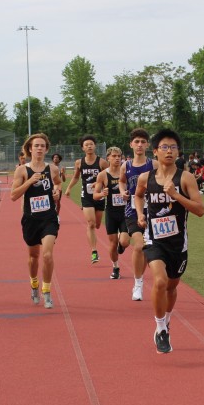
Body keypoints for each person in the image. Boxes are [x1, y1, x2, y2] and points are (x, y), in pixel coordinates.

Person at [133, 128, 204, 354]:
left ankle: (167, 319)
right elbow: (138, 195)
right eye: (164, 147)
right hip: (154, 239)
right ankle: (160, 328)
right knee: (160, 281)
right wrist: (140, 214)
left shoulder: (185, 178)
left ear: (178, 151)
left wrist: (176, 195)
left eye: (173, 147)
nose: (169, 151)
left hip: (178, 242)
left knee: (172, 286)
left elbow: (200, 210)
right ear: (155, 151)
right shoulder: (146, 178)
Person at [11, 133, 63, 308]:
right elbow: (13, 196)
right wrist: (29, 182)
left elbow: (58, 183)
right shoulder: (22, 170)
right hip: (31, 219)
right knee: (33, 257)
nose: (39, 148)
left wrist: (56, 191)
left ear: (46, 149)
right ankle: (34, 284)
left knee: (47, 255)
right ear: (30, 149)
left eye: (42, 146)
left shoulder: (52, 169)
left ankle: (46, 291)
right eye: (36, 146)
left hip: (49, 218)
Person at [118, 128, 153, 301]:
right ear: (131, 144)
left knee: (146, 248)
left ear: (147, 145)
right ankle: (138, 283)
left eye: (143, 142)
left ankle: (140, 277)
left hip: (153, 211)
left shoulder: (153, 165)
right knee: (139, 245)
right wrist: (122, 191)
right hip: (132, 210)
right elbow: (121, 181)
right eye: (136, 142)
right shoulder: (126, 166)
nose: (139, 145)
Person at [64, 135, 108, 264]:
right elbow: (76, 177)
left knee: (98, 224)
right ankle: (94, 251)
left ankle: (94, 240)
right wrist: (69, 188)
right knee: (91, 223)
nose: (89, 146)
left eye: (91, 144)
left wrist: (100, 184)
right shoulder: (79, 162)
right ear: (83, 148)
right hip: (86, 196)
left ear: (95, 146)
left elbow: (108, 177)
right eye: (86, 145)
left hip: (99, 195)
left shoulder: (102, 162)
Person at [93, 147, 129, 279]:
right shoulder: (103, 175)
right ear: (108, 158)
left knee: (124, 242)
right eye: (114, 156)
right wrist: (102, 194)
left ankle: (121, 245)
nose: (117, 158)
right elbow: (95, 195)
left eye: (119, 156)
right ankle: (115, 267)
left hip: (126, 212)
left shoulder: (126, 172)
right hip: (111, 213)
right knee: (113, 244)